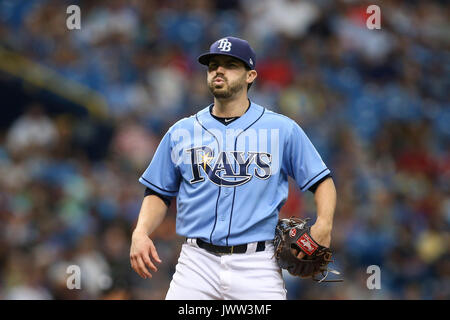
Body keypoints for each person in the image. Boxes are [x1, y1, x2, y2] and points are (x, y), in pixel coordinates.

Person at [130, 36, 337, 300]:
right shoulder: (181, 132)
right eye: (213, 64)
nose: (219, 69)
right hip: (197, 262)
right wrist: (141, 231)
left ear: (250, 75)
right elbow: (158, 193)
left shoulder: (281, 129)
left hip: (257, 265)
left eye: (230, 65)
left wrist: (324, 225)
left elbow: (322, 182)